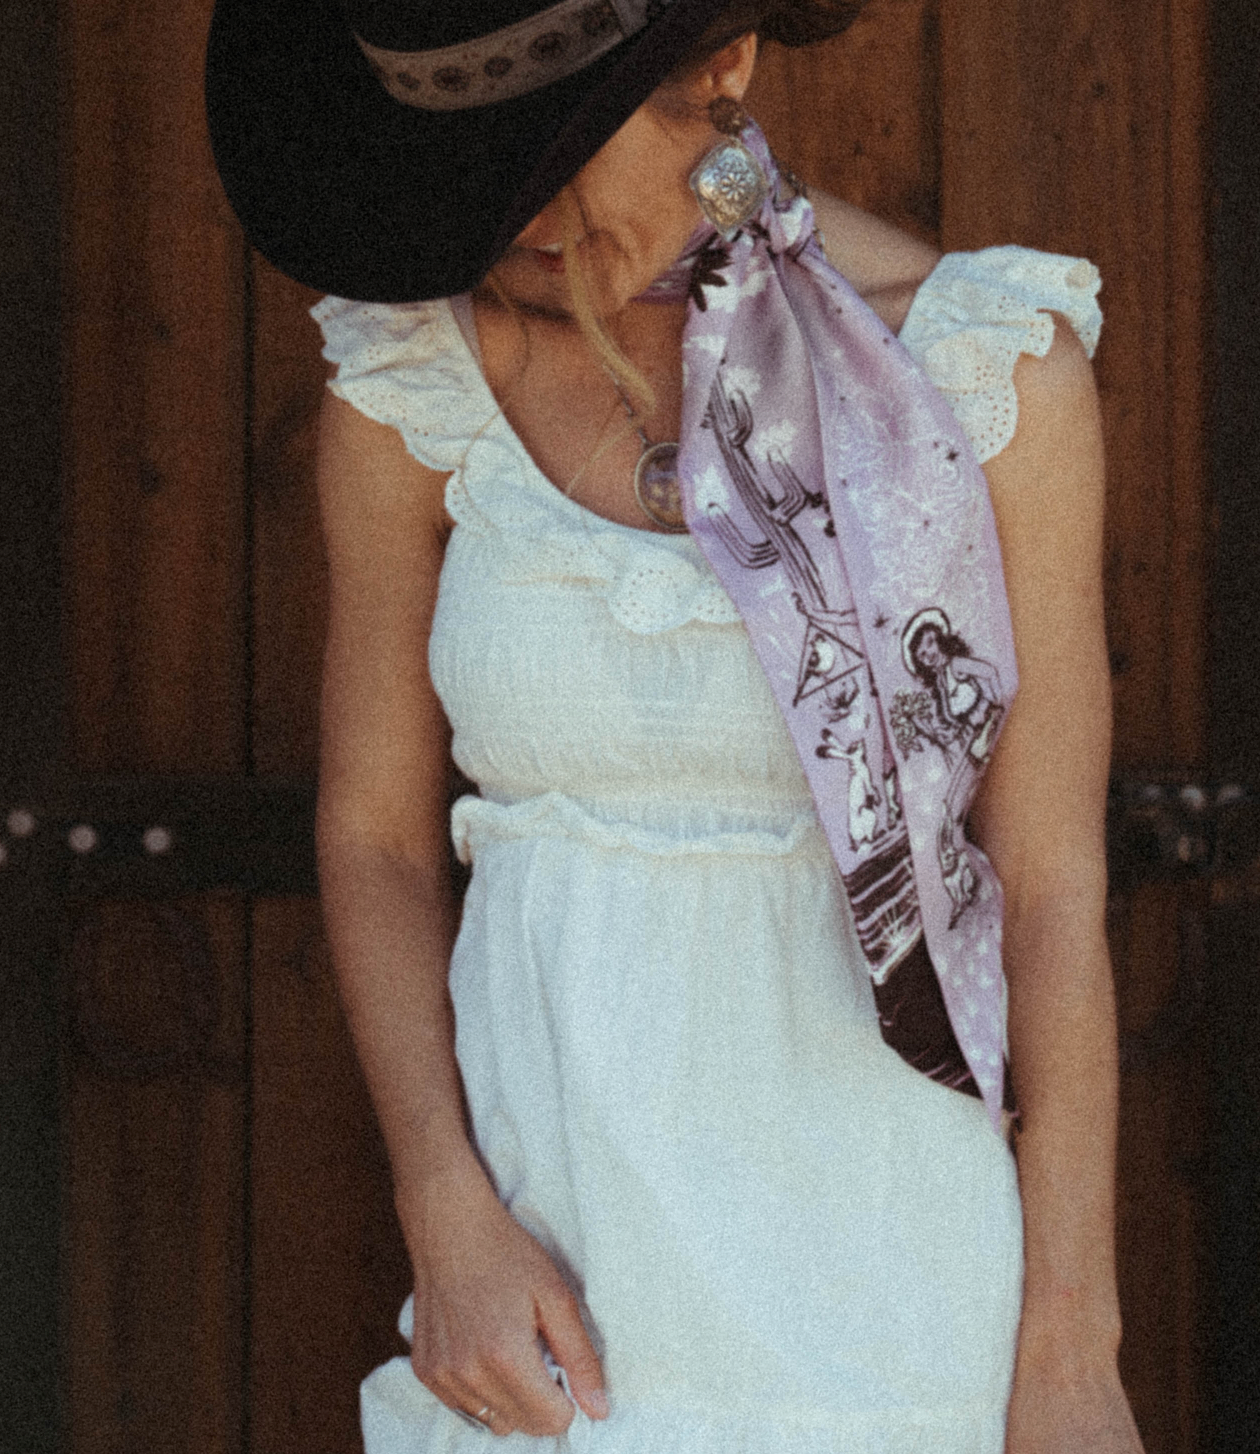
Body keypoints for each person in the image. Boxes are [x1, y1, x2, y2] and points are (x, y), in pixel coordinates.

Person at [206, 1, 1146, 1450]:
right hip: (551, 1306)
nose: (507, 220)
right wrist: (443, 1206)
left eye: (551, 156)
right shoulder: (417, 388)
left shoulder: (982, 372)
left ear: (721, 66)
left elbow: (1055, 882)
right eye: (465, 172)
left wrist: (1071, 1341)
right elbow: (376, 836)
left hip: (907, 1309)